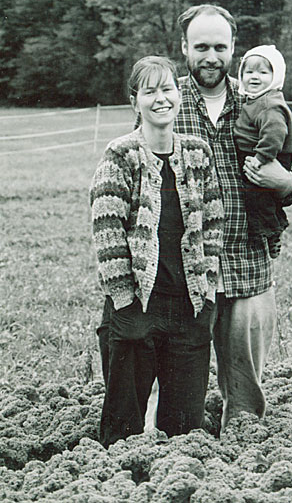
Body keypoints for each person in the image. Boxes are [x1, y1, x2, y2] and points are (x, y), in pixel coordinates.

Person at [174, 4, 292, 431]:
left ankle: (244, 448)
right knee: (175, 372)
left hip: (248, 256)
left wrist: (286, 183)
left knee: (245, 384)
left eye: (220, 47)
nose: (211, 56)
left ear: (233, 48)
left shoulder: (256, 98)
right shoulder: (166, 101)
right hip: (187, 262)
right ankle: (173, 442)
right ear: (184, 48)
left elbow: (288, 175)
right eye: (201, 46)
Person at [90, 55, 224, 448]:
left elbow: (214, 221)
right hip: (136, 309)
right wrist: (124, 302)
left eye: (167, 89)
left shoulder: (198, 154)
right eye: (150, 91)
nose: (160, 99)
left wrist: (209, 288)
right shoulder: (121, 156)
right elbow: (107, 231)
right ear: (135, 102)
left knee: (184, 427)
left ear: (179, 95)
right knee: (123, 428)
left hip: (189, 307)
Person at [234, 44, 292, 259]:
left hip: (268, 155)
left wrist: (261, 158)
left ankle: (269, 232)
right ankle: (268, 226)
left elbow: (275, 133)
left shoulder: (269, 103)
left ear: (276, 75)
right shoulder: (255, 100)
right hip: (256, 152)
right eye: (249, 71)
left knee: (257, 195)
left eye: (263, 72)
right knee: (259, 196)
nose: (254, 77)